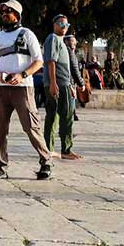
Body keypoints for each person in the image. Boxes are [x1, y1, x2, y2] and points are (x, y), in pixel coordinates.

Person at [0, 0, 52, 181]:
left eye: (9, 11)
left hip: (22, 88)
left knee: (31, 126)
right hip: (1, 88)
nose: (5, 14)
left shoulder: (27, 34)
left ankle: (46, 161)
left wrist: (22, 75)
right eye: (3, 11)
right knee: (0, 128)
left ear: (18, 14)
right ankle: (0, 166)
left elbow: (38, 61)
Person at [43, 15, 81, 160]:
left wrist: (70, 85)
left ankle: (56, 148)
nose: (64, 27)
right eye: (61, 24)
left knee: (60, 116)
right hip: (58, 84)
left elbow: (65, 69)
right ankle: (60, 149)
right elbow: (51, 61)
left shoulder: (61, 42)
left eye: (66, 24)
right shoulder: (53, 38)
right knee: (61, 116)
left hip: (64, 84)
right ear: (54, 25)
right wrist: (53, 83)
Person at [64, 35, 87, 121]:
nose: (73, 43)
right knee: (69, 106)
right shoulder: (70, 52)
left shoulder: (65, 51)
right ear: (66, 41)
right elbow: (74, 69)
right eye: (71, 41)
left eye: (74, 41)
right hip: (69, 82)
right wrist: (81, 83)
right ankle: (66, 132)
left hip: (66, 82)